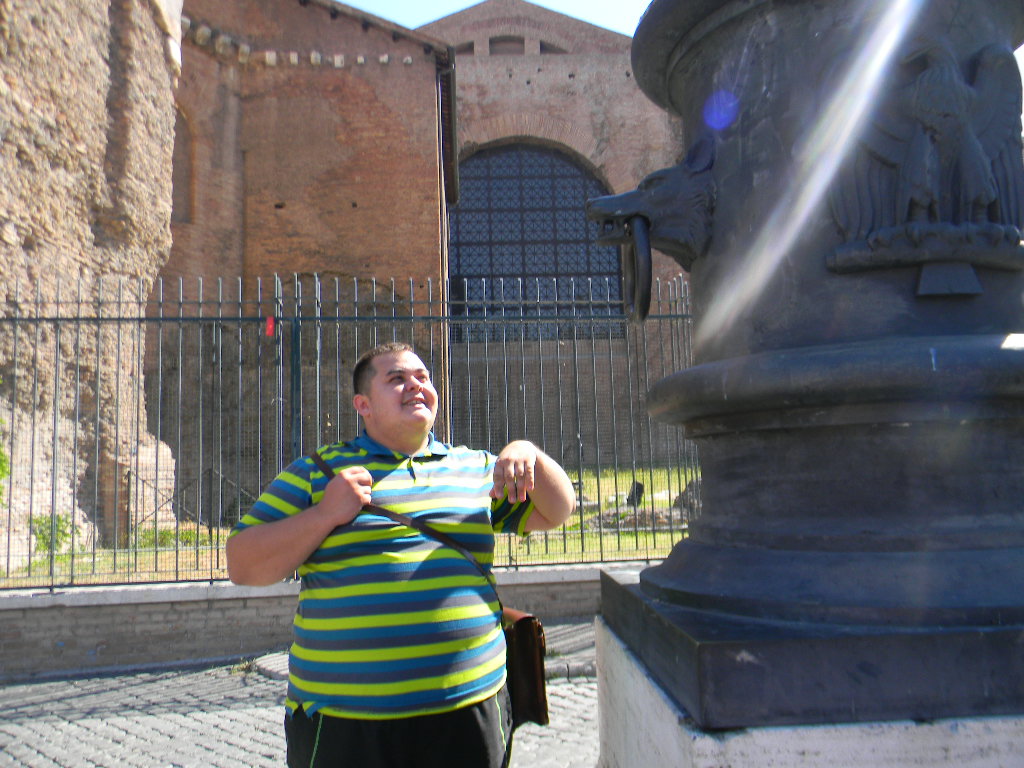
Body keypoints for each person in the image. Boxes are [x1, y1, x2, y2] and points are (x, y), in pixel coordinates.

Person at [226, 341, 576, 768]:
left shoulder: (477, 468)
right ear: (364, 404)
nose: (415, 385)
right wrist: (325, 514)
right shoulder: (317, 472)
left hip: (468, 710)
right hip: (346, 722)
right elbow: (242, 564)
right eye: (396, 379)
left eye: (423, 378)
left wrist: (528, 452)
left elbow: (558, 510)